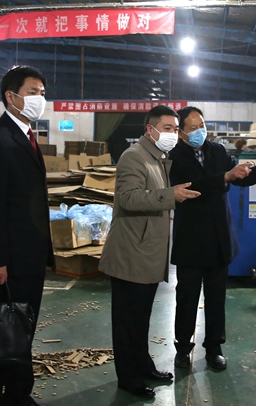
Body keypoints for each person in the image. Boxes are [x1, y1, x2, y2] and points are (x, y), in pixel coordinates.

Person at [98, 105, 201, 399]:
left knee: (141, 318)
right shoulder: (134, 157)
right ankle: (128, 378)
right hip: (131, 253)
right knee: (127, 322)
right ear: (150, 129)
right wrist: (171, 195)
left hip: (147, 252)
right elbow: (128, 198)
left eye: (175, 129)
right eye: (167, 128)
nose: (173, 134)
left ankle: (143, 366)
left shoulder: (158, 158)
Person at [169, 106, 256, 371]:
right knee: (187, 298)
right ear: (181, 132)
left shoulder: (217, 151)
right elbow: (190, 187)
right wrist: (225, 177)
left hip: (219, 238)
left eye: (202, 125)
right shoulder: (173, 157)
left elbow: (239, 178)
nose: (200, 131)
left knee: (216, 298)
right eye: (193, 127)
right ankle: (183, 348)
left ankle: (214, 348)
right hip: (191, 239)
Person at [0, 65, 54, 406]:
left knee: (22, 329)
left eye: (42, 93)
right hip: (6, 262)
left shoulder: (27, 137)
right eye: (33, 92)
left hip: (29, 257)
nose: (40, 99)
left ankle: (19, 394)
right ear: (11, 96)